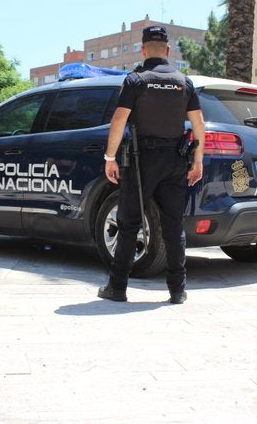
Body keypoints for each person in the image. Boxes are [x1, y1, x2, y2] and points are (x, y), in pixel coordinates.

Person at [97, 25, 205, 304]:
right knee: (173, 225)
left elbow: (119, 120)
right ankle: (177, 291)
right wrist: (198, 160)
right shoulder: (184, 82)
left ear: (144, 49)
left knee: (129, 222)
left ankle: (117, 287)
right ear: (168, 50)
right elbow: (198, 124)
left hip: (141, 159)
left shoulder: (136, 80)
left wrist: (110, 157)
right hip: (175, 161)